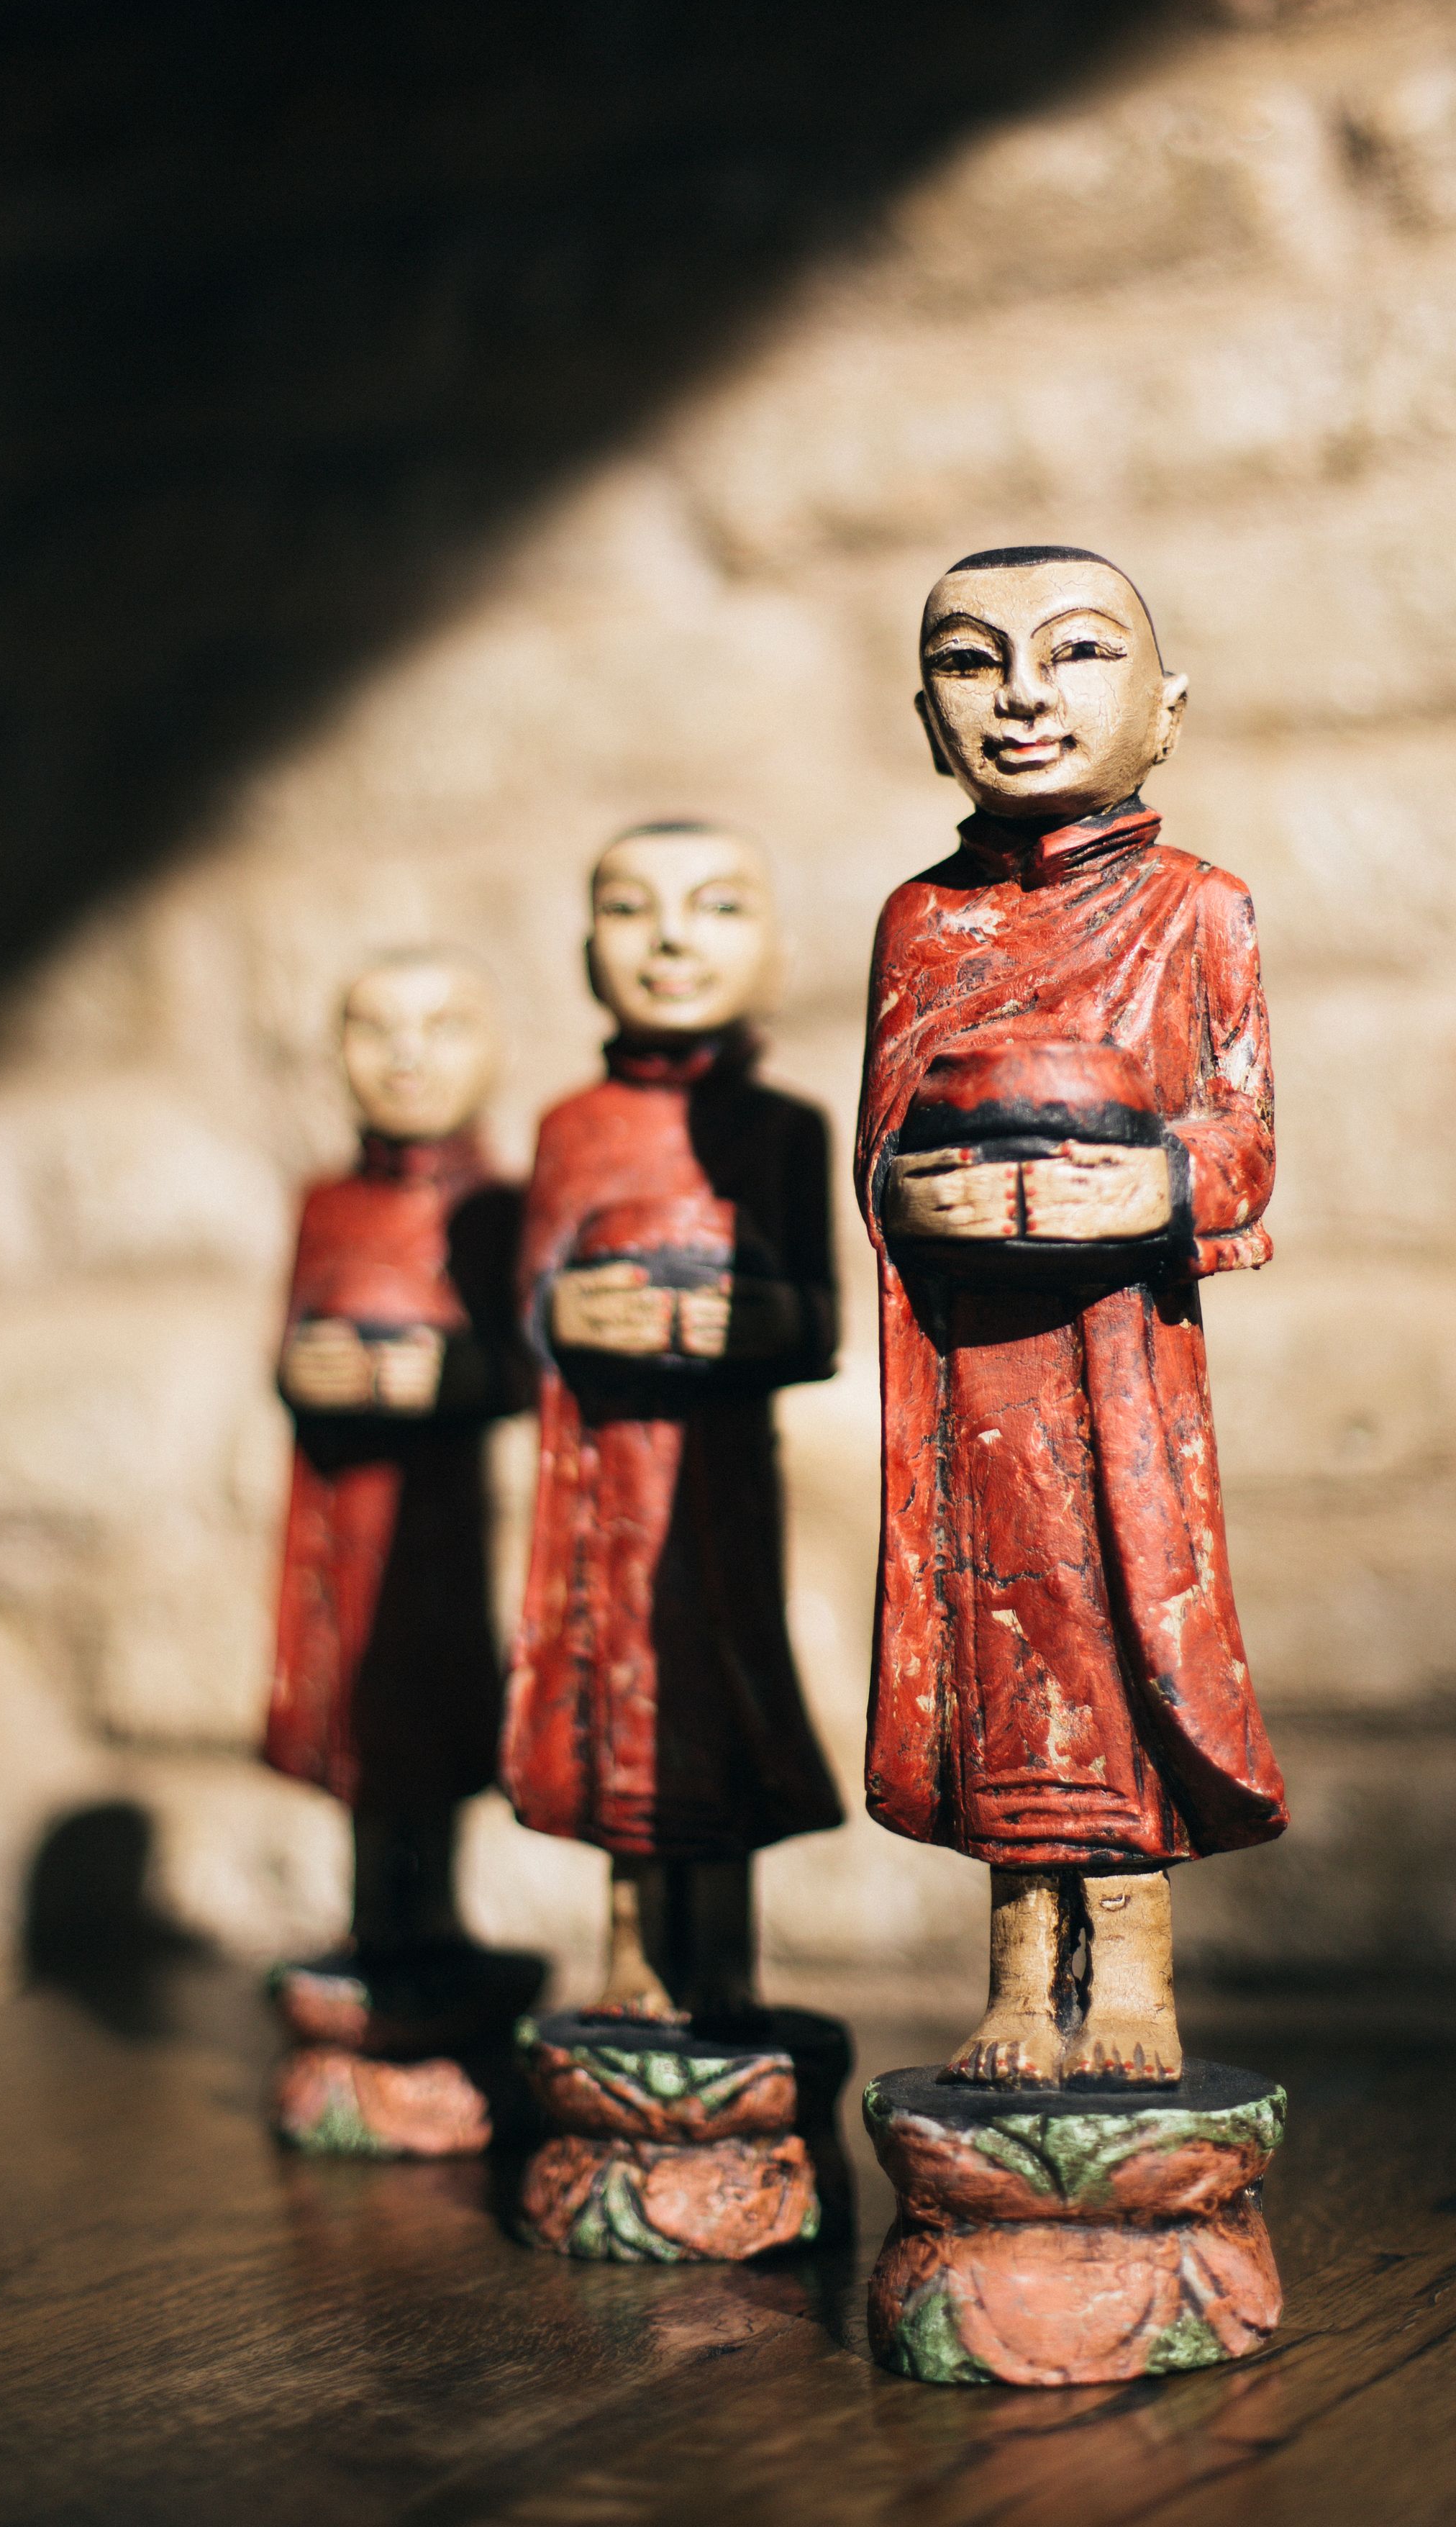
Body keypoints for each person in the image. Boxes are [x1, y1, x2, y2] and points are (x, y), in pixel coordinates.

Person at [856, 545, 1286, 2086]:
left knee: (1122, 1645)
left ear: (1166, 712)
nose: (1024, 695)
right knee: (1000, 1654)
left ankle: (1138, 1986)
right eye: (973, 663)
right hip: (975, 1387)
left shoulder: (1197, 909)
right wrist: (926, 1196)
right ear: (929, 720)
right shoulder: (922, 922)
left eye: (1079, 653)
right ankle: (1023, 1986)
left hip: (1119, 1377)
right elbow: (880, 1150)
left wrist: (1147, 1187)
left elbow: (1243, 1141)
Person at [501, 822, 842, 2022]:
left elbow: (820, 1324)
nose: (672, 941)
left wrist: (750, 1321)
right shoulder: (570, 1128)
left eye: (717, 906)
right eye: (632, 909)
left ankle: (729, 1968)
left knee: (723, 1693)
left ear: (776, 953)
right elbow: (525, 1310)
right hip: (605, 1485)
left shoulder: (786, 1131)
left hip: (721, 1485)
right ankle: (632, 1956)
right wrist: (565, 1311)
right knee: (618, 1695)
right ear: (586, 952)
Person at [263, 950, 522, 1960]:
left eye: (441, 1028)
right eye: (374, 1029)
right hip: (342, 1520)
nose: (405, 1057)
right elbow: (289, 1345)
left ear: (492, 1050)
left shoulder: (497, 1210)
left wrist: (451, 1380)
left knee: (434, 1706)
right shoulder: (325, 1203)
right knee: (355, 1717)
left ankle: (439, 1919)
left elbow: (528, 1369)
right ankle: (376, 1924)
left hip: (438, 1525)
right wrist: (308, 1370)